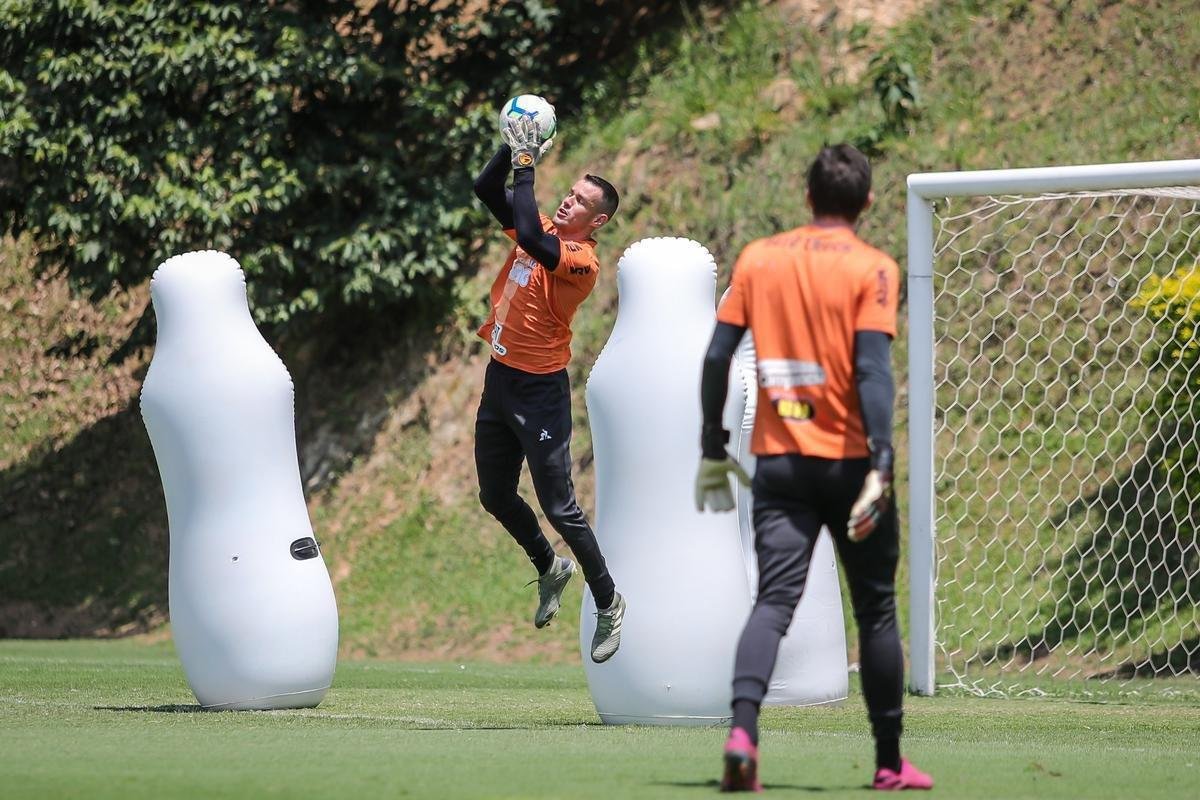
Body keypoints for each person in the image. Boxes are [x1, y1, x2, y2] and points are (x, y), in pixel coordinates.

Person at [695, 144, 933, 791]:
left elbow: (717, 358)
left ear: (806, 197)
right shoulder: (873, 268)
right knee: (877, 612)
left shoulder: (759, 258)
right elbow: (873, 370)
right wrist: (882, 457)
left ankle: (743, 732)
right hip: (851, 464)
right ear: (868, 203)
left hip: (779, 466)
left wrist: (713, 443)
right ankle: (888, 763)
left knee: (773, 602)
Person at [471, 112, 626, 663]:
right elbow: (486, 189)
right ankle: (548, 565)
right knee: (494, 494)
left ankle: (608, 600)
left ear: (599, 220)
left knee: (561, 507)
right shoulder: (540, 227)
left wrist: (528, 163)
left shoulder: (580, 261)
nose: (569, 202)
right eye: (570, 193)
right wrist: (513, 147)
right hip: (500, 380)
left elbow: (534, 239)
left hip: (540, 391)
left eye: (582, 202)